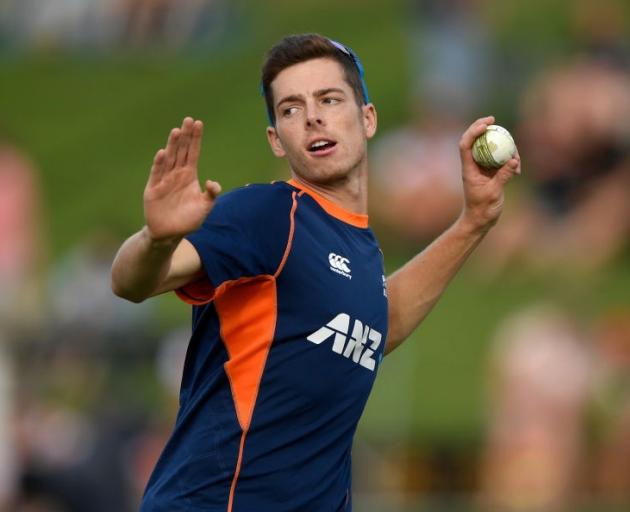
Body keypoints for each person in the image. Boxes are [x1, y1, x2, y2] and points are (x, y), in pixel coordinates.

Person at [111, 33, 520, 512]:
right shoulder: (267, 214)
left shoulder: (361, 248)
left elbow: (378, 323)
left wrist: (474, 221)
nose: (312, 117)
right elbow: (131, 282)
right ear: (276, 140)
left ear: (367, 118)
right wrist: (156, 239)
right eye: (290, 109)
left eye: (329, 99)